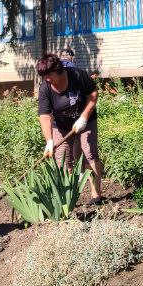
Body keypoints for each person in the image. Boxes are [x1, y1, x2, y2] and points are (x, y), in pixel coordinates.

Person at [36, 52, 102, 203]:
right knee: (63, 160)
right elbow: (45, 116)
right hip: (61, 125)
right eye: (43, 75)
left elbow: (93, 94)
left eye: (49, 74)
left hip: (86, 120)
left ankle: (96, 196)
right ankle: (68, 199)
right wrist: (49, 141)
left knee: (89, 152)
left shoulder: (77, 76)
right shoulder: (45, 88)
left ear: (58, 70)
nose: (46, 79)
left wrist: (84, 117)